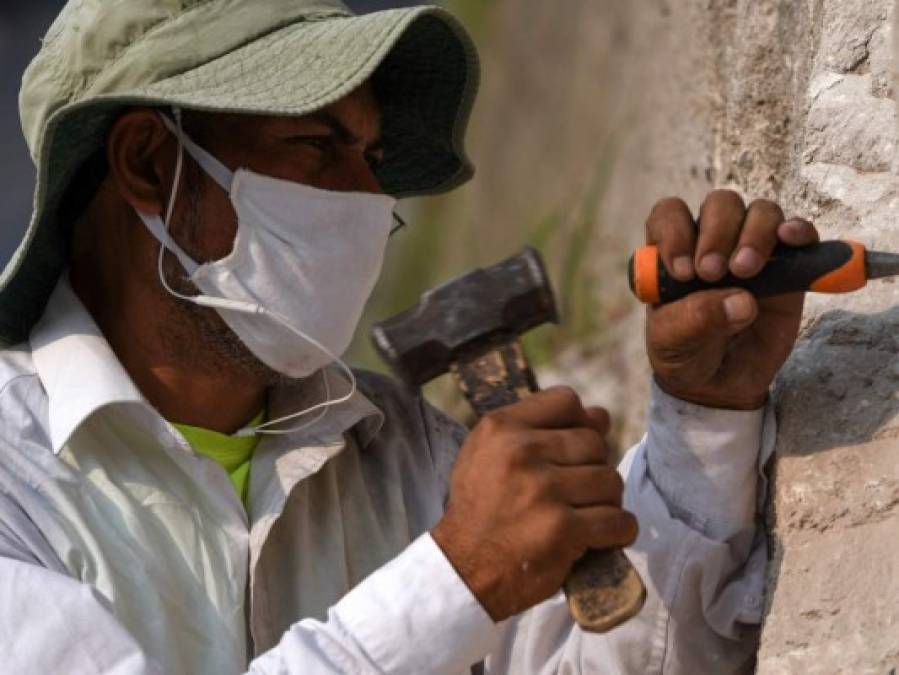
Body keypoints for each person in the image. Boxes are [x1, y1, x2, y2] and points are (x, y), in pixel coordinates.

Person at [0, 1, 818, 673]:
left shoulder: (402, 453)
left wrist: (702, 414)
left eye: (373, 156)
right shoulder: (14, 491)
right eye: (318, 146)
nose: (371, 199)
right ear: (148, 162)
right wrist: (458, 578)